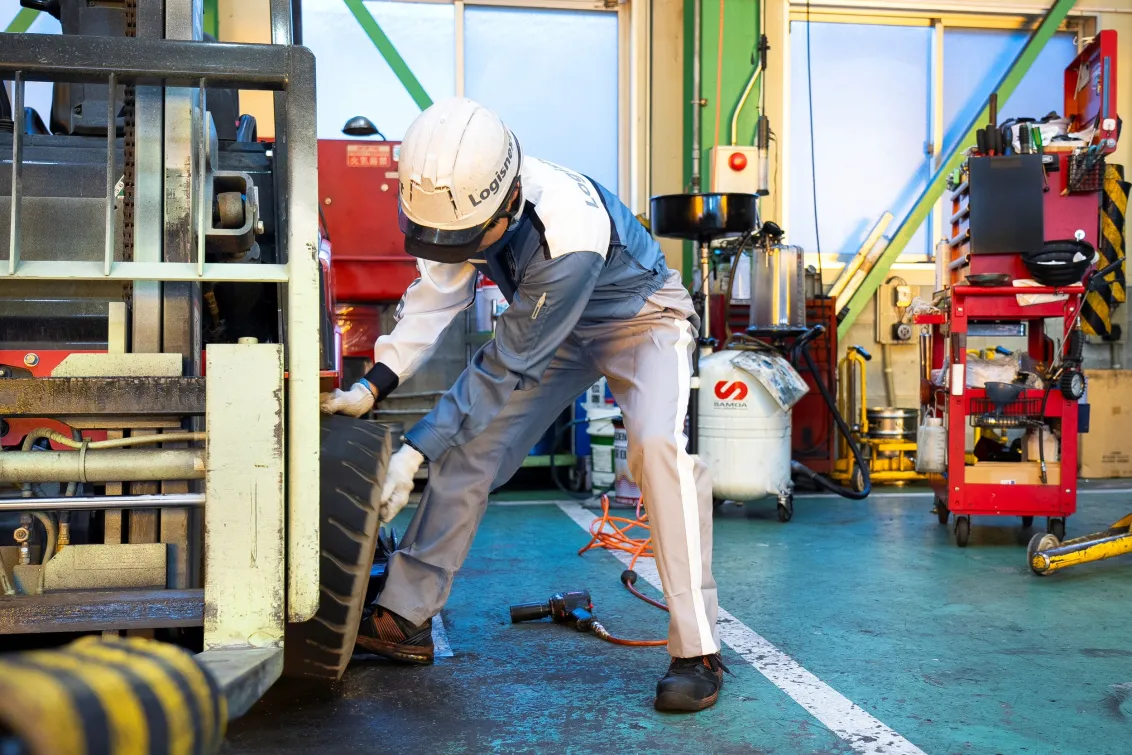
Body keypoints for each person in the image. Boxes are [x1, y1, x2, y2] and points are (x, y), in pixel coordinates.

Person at [320, 97, 724, 712]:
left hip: (642, 318)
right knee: (470, 449)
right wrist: (371, 385)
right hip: (553, 328)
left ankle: (699, 651)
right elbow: (434, 297)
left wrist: (413, 450)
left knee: (658, 451)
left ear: (507, 201)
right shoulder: (462, 199)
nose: (457, 249)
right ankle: (403, 616)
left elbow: (505, 365)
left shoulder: (567, 230)